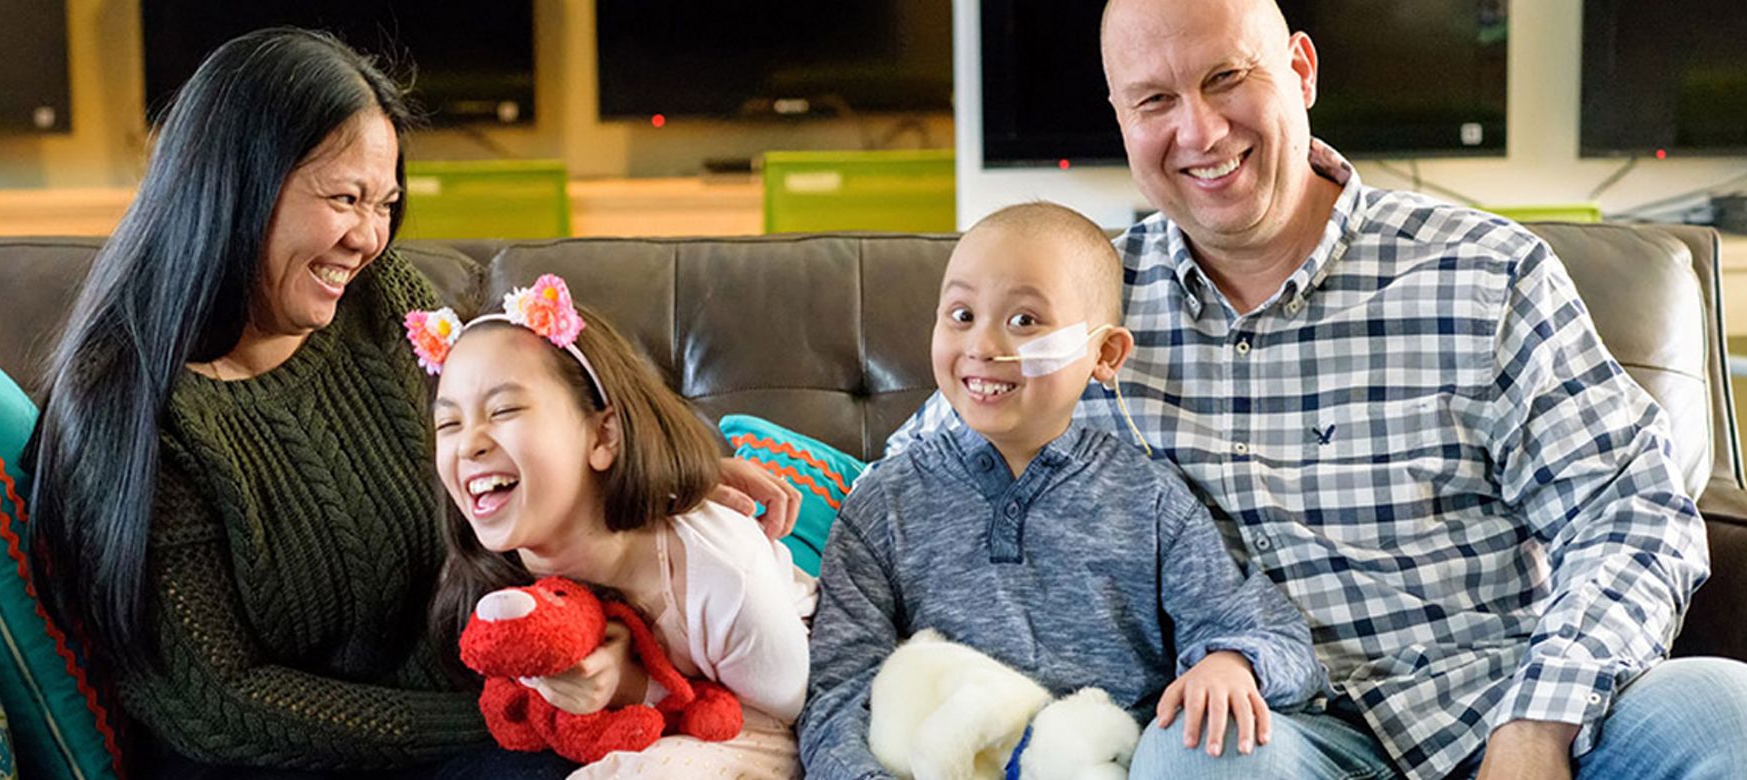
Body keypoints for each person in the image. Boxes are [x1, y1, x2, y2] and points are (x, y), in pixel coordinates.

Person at [884, 1, 1747, 779]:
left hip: (1507, 704)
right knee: (1195, 755)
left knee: (1723, 710)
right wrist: (755, 499)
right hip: (1271, 730)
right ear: (1120, 119)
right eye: (1155, 101)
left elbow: (1627, 513)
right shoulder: (1076, 307)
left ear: (1300, 69)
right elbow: (907, 481)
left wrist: (1539, 725)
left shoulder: (1484, 273)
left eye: (1227, 77)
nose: (1200, 129)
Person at [20, 28, 798, 777]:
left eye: (385, 202)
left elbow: (521, 418)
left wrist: (664, 474)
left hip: (487, 702)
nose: (369, 237)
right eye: (345, 197)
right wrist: (514, 710)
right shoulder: (130, 409)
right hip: (285, 758)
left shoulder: (375, 297)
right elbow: (219, 705)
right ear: (237, 188)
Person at [800, 203, 1326, 777]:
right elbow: (839, 688)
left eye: (1025, 321)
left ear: (1104, 355)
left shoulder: (1150, 501)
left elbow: (1267, 632)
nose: (982, 344)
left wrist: (1232, 662)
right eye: (961, 314)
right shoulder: (882, 504)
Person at [418, 275, 814, 778]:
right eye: (447, 424)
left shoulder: (719, 574)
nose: (468, 443)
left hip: (768, 704)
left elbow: (785, 712)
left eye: (505, 410)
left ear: (604, 435)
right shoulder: (489, 571)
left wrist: (635, 686)